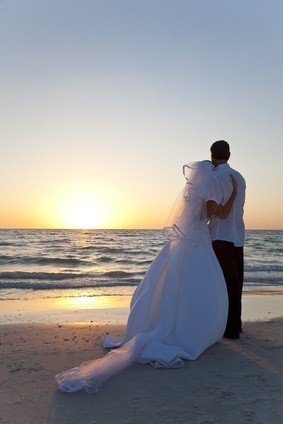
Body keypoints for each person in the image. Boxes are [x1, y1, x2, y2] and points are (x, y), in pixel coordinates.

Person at [55, 160, 237, 394]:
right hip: (198, 244)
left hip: (183, 244)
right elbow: (222, 213)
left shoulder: (189, 197)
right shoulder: (208, 199)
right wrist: (233, 194)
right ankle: (195, 332)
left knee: (173, 287)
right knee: (198, 288)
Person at [208, 140, 246, 339]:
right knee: (236, 281)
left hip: (220, 236)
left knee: (225, 283)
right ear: (229, 154)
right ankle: (235, 324)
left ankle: (229, 329)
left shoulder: (214, 178)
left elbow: (218, 213)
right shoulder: (239, 176)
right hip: (238, 236)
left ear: (212, 154)